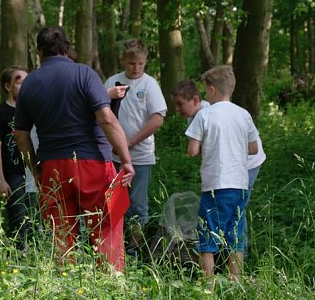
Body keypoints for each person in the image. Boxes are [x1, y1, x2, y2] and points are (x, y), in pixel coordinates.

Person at [13, 26, 135, 271]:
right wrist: (126, 159)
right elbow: (107, 118)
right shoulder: (84, 74)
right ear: (66, 49)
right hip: (94, 163)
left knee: (61, 235)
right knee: (106, 227)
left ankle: (65, 293)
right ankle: (111, 291)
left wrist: (35, 168)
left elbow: (20, 134)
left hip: (52, 166)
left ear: (39, 52)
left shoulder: (29, 83)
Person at [172, 80, 265, 255]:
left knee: (235, 212)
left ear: (195, 100)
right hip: (233, 162)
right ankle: (230, 257)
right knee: (231, 209)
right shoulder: (198, 115)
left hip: (247, 162)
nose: (177, 109)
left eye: (180, 104)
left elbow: (195, 150)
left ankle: (235, 253)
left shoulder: (207, 113)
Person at [185, 66, 259, 280]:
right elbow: (253, 148)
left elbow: (192, 150)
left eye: (206, 90)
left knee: (207, 237)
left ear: (213, 90)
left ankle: (207, 286)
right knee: (235, 235)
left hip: (215, 186)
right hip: (240, 185)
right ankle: (235, 282)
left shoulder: (205, 114)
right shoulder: (243, 114)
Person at [104, 39, 167, 253]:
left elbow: (157, 119)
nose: (136, 68)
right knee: (112, 202)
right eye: (132, 63)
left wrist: (130, 142)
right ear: (123, 60)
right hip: (112, 155)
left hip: (140, 156)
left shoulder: (150, 84)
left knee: (138, 205)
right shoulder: (113, 82)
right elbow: (100, 113)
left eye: (140, 63)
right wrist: (113, 142)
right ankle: (113, 247)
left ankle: (134, 249)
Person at [0, 67, 38, 250]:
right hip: (14, 174)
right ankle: (17, 256)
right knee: (18, 218)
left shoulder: (35, 110)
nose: (25, 85)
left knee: (36, 218)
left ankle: (37, 256)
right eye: (19, 81)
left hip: (35, 171)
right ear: (8, 86)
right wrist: (0, 179)